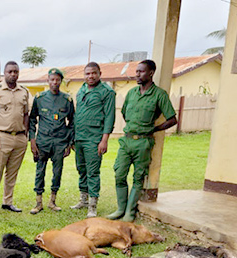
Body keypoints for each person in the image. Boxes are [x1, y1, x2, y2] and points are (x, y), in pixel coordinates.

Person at [108, 59, 177, 222]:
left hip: (144, 143)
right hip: (127, 141)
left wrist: (154, 129)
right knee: (119, 174)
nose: (137, 74)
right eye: (136, 71)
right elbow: (125, 113)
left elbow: (172, 119)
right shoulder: (132, 93)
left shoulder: (159, 94)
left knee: (138, 177)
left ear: (151, 73)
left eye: (141, 71)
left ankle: (129, 212)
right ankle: (120, 209)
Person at [0, 61, 30, 214]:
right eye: (10, 71)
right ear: (4, 73)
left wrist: (26, 133)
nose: (13, 74)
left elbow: (26, 114)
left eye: (15, 71)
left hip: (20, 138)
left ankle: (7, 202)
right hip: (2, 137)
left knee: (12, 172)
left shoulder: (23, 91)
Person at [71, 62, 116, 218]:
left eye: (93, 73)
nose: (90, 76)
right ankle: (83, 200)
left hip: (94, 139)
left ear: (100, 73)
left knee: (92, 172)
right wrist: (73, 138)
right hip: (79, 138)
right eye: (87, 74)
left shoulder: (107, 92)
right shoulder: (81, 89)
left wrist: (104, 140)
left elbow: (110, 117)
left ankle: (92, 205)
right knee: (81, 169)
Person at [28, 68, 74, 214]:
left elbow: (72, 122)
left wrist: (69, 142)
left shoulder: (67, 100)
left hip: (60, 142)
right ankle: (38, 202)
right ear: (47, 81)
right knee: (40, 170)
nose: (54, 82)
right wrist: (33, 140)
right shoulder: (39, 99)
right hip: (43, 141)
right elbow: (31, 120)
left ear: (61, 81)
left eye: (57, 80)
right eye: (52, 79)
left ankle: (52, 201)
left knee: (57, 171)